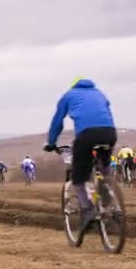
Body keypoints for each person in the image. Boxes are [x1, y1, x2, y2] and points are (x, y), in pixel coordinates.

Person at [43, 77, 117, 233]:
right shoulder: (99, 93)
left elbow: (57, 121)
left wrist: (51, 142)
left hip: (86, 135)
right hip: (109, 133)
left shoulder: (69, 95)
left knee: (78, 177)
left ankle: (87, 209)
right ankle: (108, 196)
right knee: (104, 166)